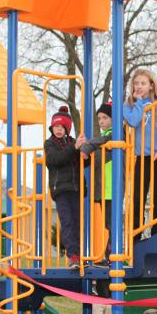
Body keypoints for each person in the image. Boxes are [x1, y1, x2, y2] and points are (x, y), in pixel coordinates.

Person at [123, 68, 157, 237]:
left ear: (151, 85)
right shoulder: (129, 104)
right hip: (141, 155)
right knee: (138, 196)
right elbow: (134, 121)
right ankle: (136, 236)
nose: (139, 86)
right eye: (136, 83)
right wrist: (139, 102)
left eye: (143, 83)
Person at [44, 106, 85, 268]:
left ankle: (81, 253)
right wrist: (74, 148)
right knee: (67, 222)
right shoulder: (50, 144)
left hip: (75, 189)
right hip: (61, 189)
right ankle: (73, 256)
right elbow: (55, 160)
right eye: (56, 127)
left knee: (77, 222)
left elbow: (81, 163)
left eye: (61, 127)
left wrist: (84, 152)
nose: (58, 130)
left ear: (67, 128)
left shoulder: (73, 142)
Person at [80, 101, 113, 264]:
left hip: (112, 187)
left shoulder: (115, 134)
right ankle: (109, 251)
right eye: (99, 118)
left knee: (112, 222)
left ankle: (112, 251)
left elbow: (102, 144)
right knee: (108, 223)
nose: (101, 121)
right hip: (103, 188)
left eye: (105, 117)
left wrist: (87, 147)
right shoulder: (104, 140)